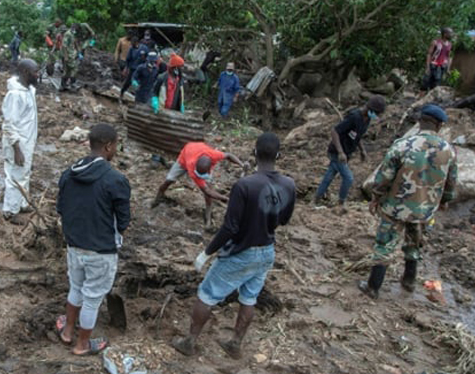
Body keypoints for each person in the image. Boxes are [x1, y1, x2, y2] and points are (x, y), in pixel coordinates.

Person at [171, 133, 295, 359]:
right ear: (279, 155)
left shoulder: (244, 185)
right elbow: (284, 220)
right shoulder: (289, 184)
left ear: (254, 153)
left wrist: (206, 252)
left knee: (207, 294)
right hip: (267, 251)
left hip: (241, 251)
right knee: (249, 297)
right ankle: (235, 344)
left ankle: (189, 342)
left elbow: (230, 227)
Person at [359, 104, 457, 299]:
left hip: (395, 207)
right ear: (439, 125)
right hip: (424, 210)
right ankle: (409, 281)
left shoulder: (403, 144)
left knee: (384, 245)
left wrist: (376, 197)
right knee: (414, 244)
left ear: (420, 121)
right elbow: (451, 181)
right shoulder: (449, 150)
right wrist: (445, 201)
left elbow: (384, 175)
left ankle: (373, 287)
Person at [55, 123, 131, 356]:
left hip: (74, 245)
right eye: (116, 145)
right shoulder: (116, 180)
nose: (116, 149)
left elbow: (61, 208)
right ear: (108, 146)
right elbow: (124, 220)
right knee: (92, 298)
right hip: (100, 250)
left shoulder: (69, 173)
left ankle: (68, 331)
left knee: (76, 288)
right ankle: (82, 345)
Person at [312, 96, 386, 209]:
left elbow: (358, 135)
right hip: (337, 152)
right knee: (348, 178)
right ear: (371, 110)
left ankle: (315, 200)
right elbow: (335, 131)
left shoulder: (367, 119)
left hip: (346, 152)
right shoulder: (354, 117)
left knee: (329, 175)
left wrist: (362, 150)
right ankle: (341, 203)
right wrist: (340, 152)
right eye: (377, 113)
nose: (377, 116)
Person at [153, 142, 246, 228]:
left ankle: (208, 215)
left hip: (199, 148)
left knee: (208, 191)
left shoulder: (214, 155)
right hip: (184, 158)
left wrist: (242, 165)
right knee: (169, 180)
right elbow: (207, 191)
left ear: (211, 166)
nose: (201, 177)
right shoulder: (192, 168)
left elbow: (229, 155)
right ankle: (159, 196)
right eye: (200, 174)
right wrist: (225, 198)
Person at [1, 59, 39, 225]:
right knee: (15, 175)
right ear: (25, 73)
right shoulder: (15, 95)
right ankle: (10, 210)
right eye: (35, 72)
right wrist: (17, 148)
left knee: (24, 173)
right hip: (19, 143)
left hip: (27, 140)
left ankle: (22, 203)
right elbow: (8, 124)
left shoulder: (28, 90)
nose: (38, 75)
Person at [119, 37, 148, 102]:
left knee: (139, 84)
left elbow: (147, 58)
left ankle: (137, 99)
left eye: (133, 43)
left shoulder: (144, 48)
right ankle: (121, 93)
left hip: (141, 70)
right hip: (133, 68)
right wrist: (126, 68)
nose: (132, 45)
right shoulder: (131, 49)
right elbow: (128, 59)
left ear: (136, 43)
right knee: (128, 82)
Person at [61, 23, 81, 90]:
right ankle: (72, 84)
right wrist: (66, 56)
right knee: (74, 69)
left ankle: (63, 85)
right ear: (74, 28)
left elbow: (74, 43)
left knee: (68, 71)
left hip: (72, 55)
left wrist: (78, 52)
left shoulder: (72, 34)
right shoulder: (68, 34)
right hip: (69, 55)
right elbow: (64, 46)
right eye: (77, 29)